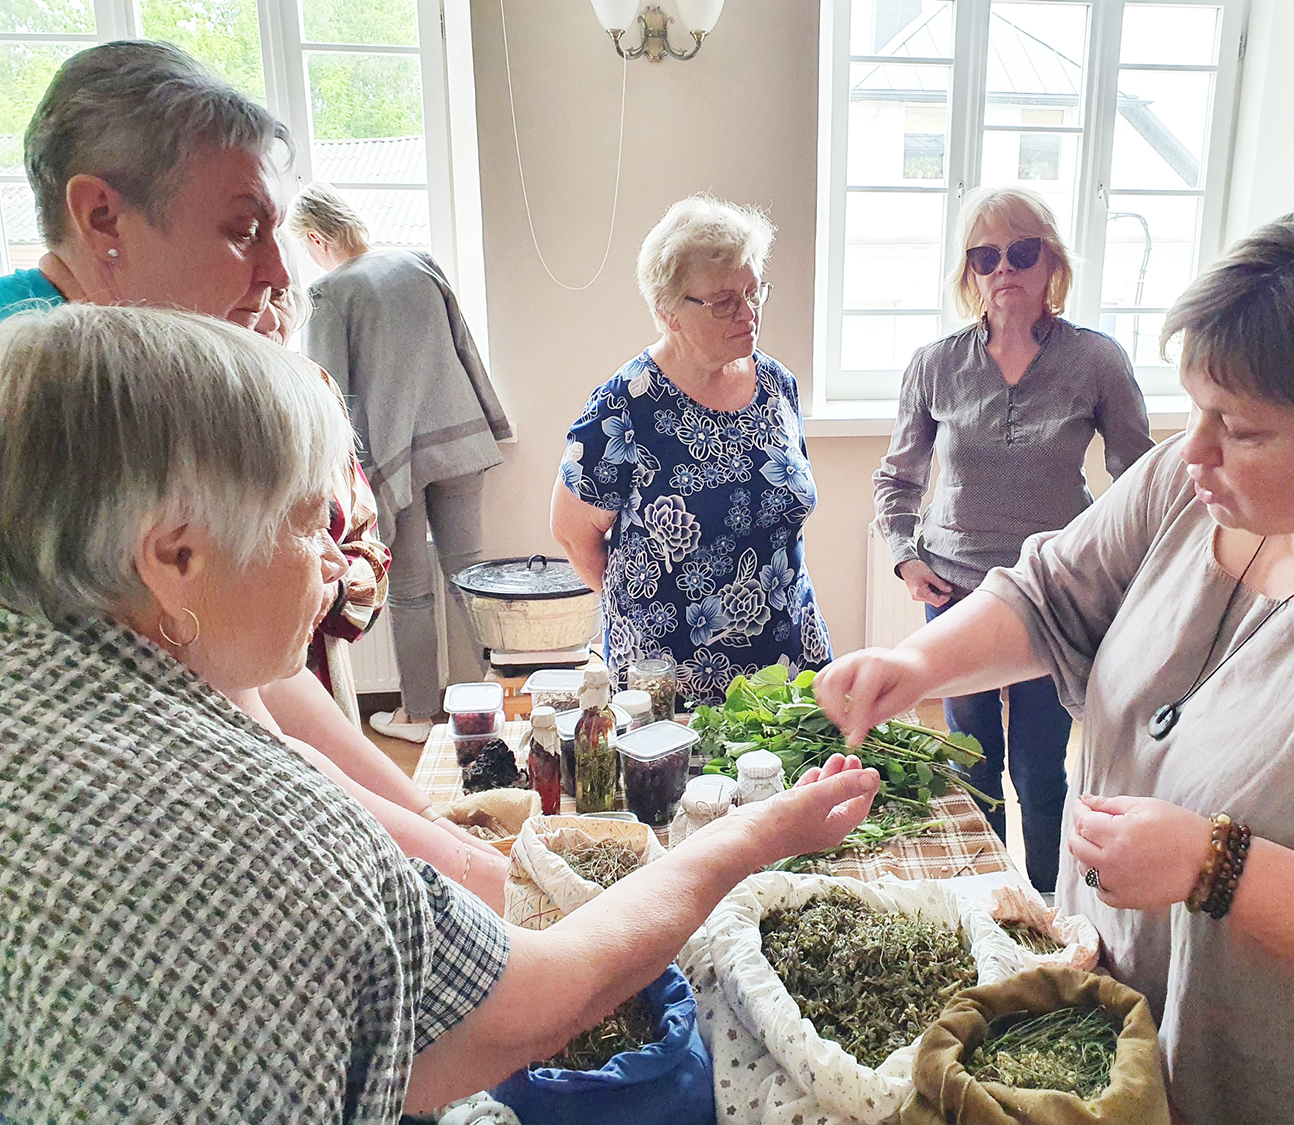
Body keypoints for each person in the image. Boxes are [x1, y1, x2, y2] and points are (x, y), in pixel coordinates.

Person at [0, 303, 881, 1121]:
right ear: (175, 555)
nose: (333, 567)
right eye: (309, 525)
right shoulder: (240, 830)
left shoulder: (50, 672)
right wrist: (762, 835)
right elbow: (534, 1003)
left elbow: (400, 1047)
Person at [815, 208, 1294, 1123]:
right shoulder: (1198, 476)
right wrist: (914, 662)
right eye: (1195, 409)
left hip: (1279, 1076)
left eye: (1243, 429)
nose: (1195, 451)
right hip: (1122, 1017)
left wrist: (1218, 868)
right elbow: (1053, 589)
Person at [0, 40, 510, 907]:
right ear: (101, 218)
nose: (279, 274)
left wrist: (436, 830)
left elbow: (259, 684)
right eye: (243, 230)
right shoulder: (59, 401)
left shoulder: (161, 372)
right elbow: (244, 735)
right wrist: (466, 875)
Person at [873, 187, 1152, 888]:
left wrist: (1125, 574)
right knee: (970, 758)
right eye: (986, 255)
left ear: (1050, 261)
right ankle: (989, 895)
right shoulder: (935, 364)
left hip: (1055, 594)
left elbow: (1142, 481)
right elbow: (898, 479)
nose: (1005, 269)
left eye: (1022, 251)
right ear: (969, 272)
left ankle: (1049, 901)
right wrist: (906, 555)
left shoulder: (1097, 361)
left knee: (1039, 762)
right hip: (957, 587)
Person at [550, 194, 831, 704]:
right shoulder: (625, 406)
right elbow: (572, 534)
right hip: (670, 681)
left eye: (754, 292)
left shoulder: (777, 385)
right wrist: (635, 614)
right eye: (724, 301)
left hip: (788, 661)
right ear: (669, 312)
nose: (748, 313)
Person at [291, 182, 513, 744]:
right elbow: (464, 347)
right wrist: (494, 419)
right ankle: (504, 697)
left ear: (316, 238)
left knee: (411, 588)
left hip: (397, 459)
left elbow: (326, 394)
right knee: (472, 577)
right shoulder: (420, 262)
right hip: (461, 439)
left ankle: (419, 716)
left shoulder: (327, 294)